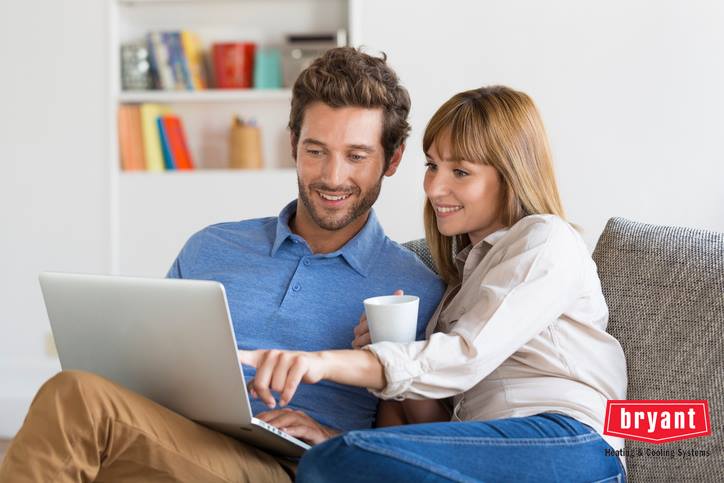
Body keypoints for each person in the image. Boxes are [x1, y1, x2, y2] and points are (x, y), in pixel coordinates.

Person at [0, 48, 444, 483]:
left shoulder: (414, 289)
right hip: (176, 442)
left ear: (393, 159)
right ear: (292, 143)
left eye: (356, 156)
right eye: (315, 151)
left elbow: (428, 446)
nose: (332, 176)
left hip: (292, 465)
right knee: (85, 423)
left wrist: (332, 438)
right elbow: (150, 369)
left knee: (75, 397)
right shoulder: (211, 248)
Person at [238, 86, 629, 482]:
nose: (434, 188)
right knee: (333, 457)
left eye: (460, 171)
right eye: (431, 166)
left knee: (335, 462)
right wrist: (335, 430)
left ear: (511, 174)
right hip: (484, 448)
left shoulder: (546, 240)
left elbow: (464, 356)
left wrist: (318, 363)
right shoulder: (458, 289)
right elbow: (424, 427)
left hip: (570, 444)